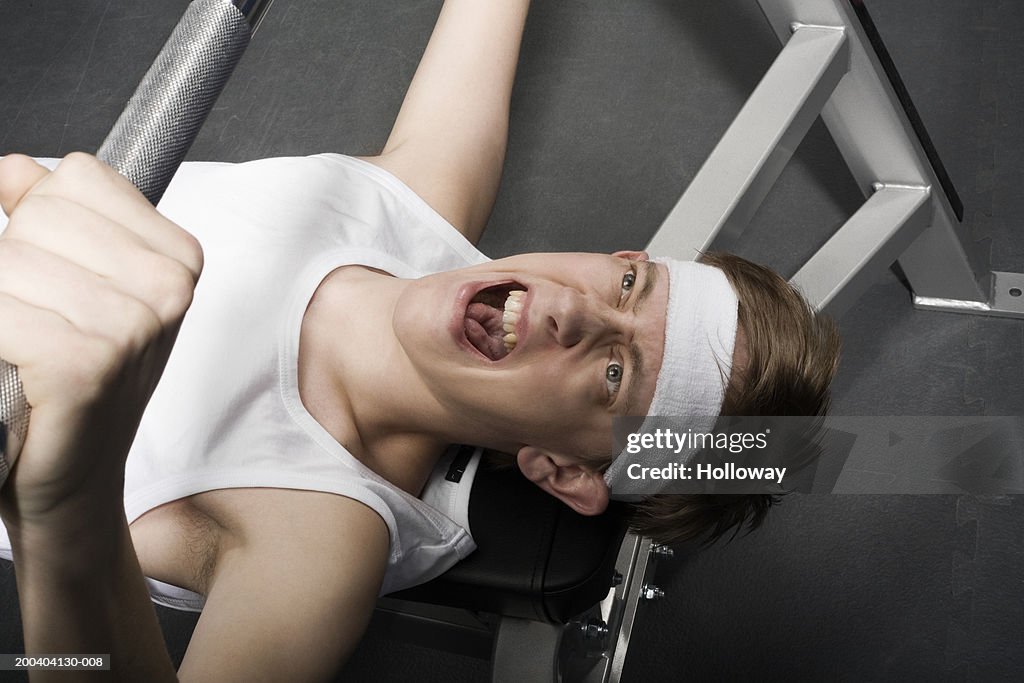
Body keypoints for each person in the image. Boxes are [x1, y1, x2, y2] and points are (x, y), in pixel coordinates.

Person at [0, 0, 839, 679]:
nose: (573, 313)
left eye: (616, 373)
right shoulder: (422, 201)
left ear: (565, 469)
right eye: (628, 283)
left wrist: (64, 501)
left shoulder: (317, 542)